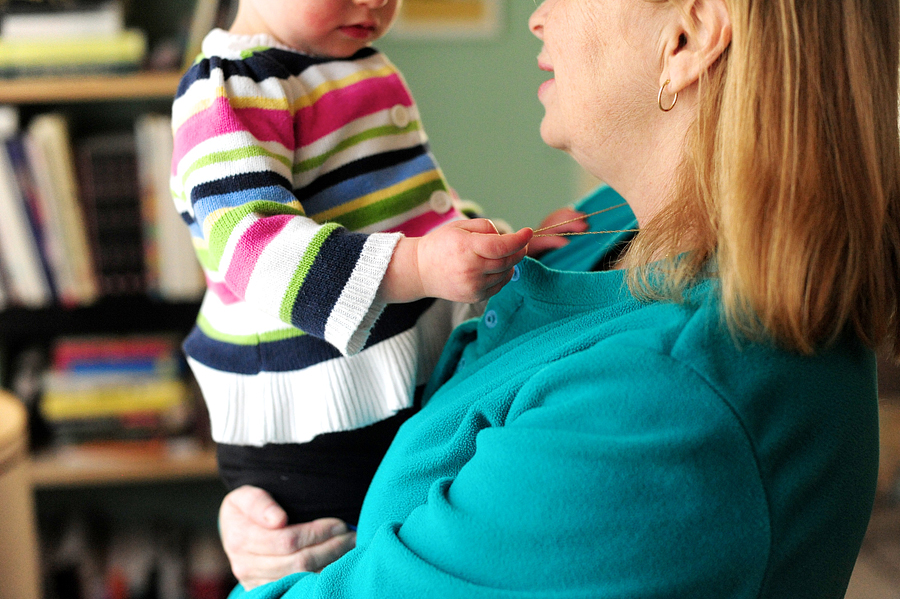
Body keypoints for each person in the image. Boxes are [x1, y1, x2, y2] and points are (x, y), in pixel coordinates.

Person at [215, 0, 900, 596]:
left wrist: (268, 579)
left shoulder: (662, 410)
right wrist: (281, 500)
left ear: (687, 40)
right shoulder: (613, 228)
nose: (538, 17)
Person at [170, 0, 584, 526]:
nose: (377, 2)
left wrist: (502, 242)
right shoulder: (229, 88)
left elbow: (412, 208)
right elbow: (259, 253)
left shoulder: (354, 63)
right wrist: (420, 266)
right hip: (311, 424)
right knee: (351, 560)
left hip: (393, 379)